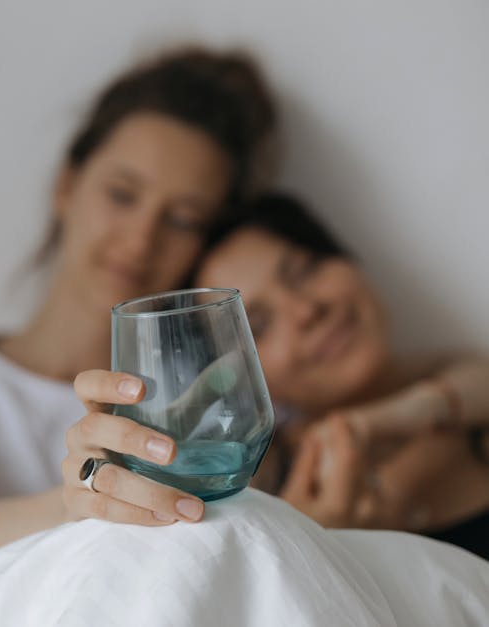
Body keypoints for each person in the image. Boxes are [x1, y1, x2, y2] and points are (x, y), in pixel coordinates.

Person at [0, 45, 279, 585]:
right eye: (122, 195)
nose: (141, 238)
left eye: (183, 219)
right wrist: (84, 498)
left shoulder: (213, 411)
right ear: (67, 186)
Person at [191, 191, 489, 558]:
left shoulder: (469, 389)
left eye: (305, 269)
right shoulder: (262, 499)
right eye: (260, 325)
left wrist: (397, 420)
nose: (306, 310)